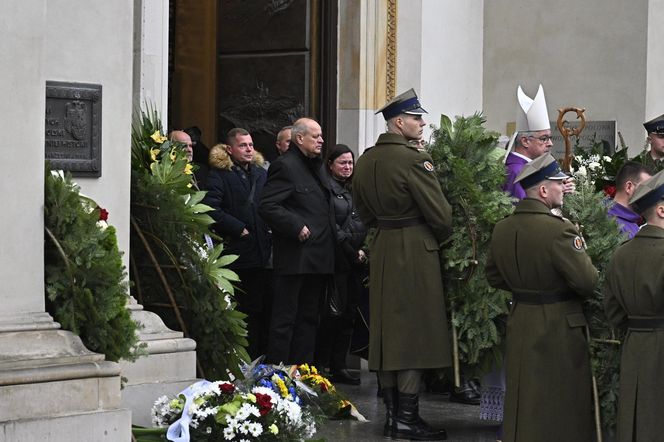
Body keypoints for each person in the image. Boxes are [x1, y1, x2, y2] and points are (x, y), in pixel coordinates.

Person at [353, 88, 452, 441]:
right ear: (398, 122)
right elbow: (441, 216)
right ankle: (406, 418)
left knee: (385, 333)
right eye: (416, 118)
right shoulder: (413, 161)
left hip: (381, 247)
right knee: (413, 334)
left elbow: (362, 211)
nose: (422, 123)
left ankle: (394, 416)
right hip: (414, 249)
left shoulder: (364, 160)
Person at [486, 153, 598, 442]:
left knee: (525, 393)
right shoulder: (559, 231)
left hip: (521, 315)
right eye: (559, 183)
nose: (564, 188)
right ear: (544, 190)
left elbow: (493, 276)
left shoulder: (503, 228)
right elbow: (587, 282)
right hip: (558, 323)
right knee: (559, 400)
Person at [259, 117, 335, 365]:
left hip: (318, 257)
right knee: (285, 320)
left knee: (309, 319)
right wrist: (296, 226)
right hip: (295, 257)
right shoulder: (286, 166)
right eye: (316, 136)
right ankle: (278, 374)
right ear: (299, 138)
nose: (321, 140)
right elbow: (268, 205)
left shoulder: (317, 166)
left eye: (321, 136)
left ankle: (303, 374)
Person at [603, 169, 664, 442]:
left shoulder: (621, 254)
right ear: (661, 211)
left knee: (636, 422)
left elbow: (614, 312)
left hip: (634, 346)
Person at [203, 128, 272, 360]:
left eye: (251, 144)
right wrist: (237, 228)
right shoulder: (219, 175)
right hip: (238, 254)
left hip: (262, 252)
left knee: (260, 311)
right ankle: (239, 359)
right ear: (230, 149)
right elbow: (212, 208)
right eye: (243, 145)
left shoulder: (261, 174)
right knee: (241, 310)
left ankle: (257, 358)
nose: (249, 149)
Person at [315, 144, 367, 385]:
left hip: (356, 262)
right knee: (331, 315)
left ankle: (340, 364)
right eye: (342, 163)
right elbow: (331, 225)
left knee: (348, 316)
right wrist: (351, 250)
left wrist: (365, 250)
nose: (347, 167)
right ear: (331, 164)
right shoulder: (326, 188)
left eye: (350, 163)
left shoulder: (356, 188)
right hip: (337, 260)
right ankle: (322, 364)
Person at [503, 85, 575, 200]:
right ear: (525, 141)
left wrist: (558, 190)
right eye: (544, 138)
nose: (550, 143)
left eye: (550, 138)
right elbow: (526, 210)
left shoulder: (530, 167)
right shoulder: (516, 171)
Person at [607, 161, 651, 239]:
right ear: (629, 187)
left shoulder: (631, 223)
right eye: (647, 189)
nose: (650, 195)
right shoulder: (609, 223)